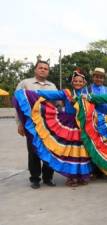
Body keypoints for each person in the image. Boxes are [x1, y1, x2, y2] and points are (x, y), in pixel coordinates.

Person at [14, 68, 92, 187]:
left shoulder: (88, 96)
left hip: (81, 126)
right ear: (72, 82)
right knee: (70, 151)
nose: (78, 83)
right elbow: (49, 94)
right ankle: (71, 177)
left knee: (81, 151)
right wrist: (32, 94)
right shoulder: (66, 93)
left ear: (84, 83)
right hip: (69, 125)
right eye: (75, 81)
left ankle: (80, 175)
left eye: (80, 81)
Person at [14, 60, 57, 189]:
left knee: (50, 150)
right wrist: (19, 123)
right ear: (35, 69)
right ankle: (35, 179)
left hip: (49, 124)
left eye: (46, 68)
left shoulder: (52, 86)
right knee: (33, 152)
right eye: (41, 68)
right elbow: (17, 104)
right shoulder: (25, 83)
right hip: (31, 124)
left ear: (48, 71)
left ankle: (48, 177)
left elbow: (58, 104)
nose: (43, 70)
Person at [87, 67, 107, 180]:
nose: (98, 79)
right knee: (92, 144)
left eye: (101, 77)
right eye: (96, 76)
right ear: (93, 77)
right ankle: (93, 170)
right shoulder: (88, 89)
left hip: (105, 120)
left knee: (104, 145)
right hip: (92, 120)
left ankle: (103, 170)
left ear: (104, 79)